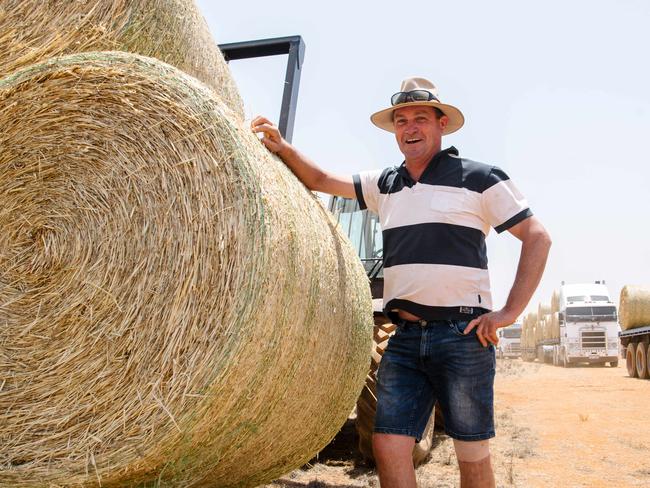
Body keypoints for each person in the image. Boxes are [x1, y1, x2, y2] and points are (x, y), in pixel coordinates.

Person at [251, 77, 551, 488]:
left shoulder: (480, 177)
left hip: (462, 336)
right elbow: (321, 180)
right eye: (402, 120)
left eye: (420, 119)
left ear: (442, 124)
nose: (410, 128)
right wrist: (283, 149)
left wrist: (509, 313)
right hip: (405, 338)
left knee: (472, 454)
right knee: (389, 447)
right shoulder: (385, 184)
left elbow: (537, 236)